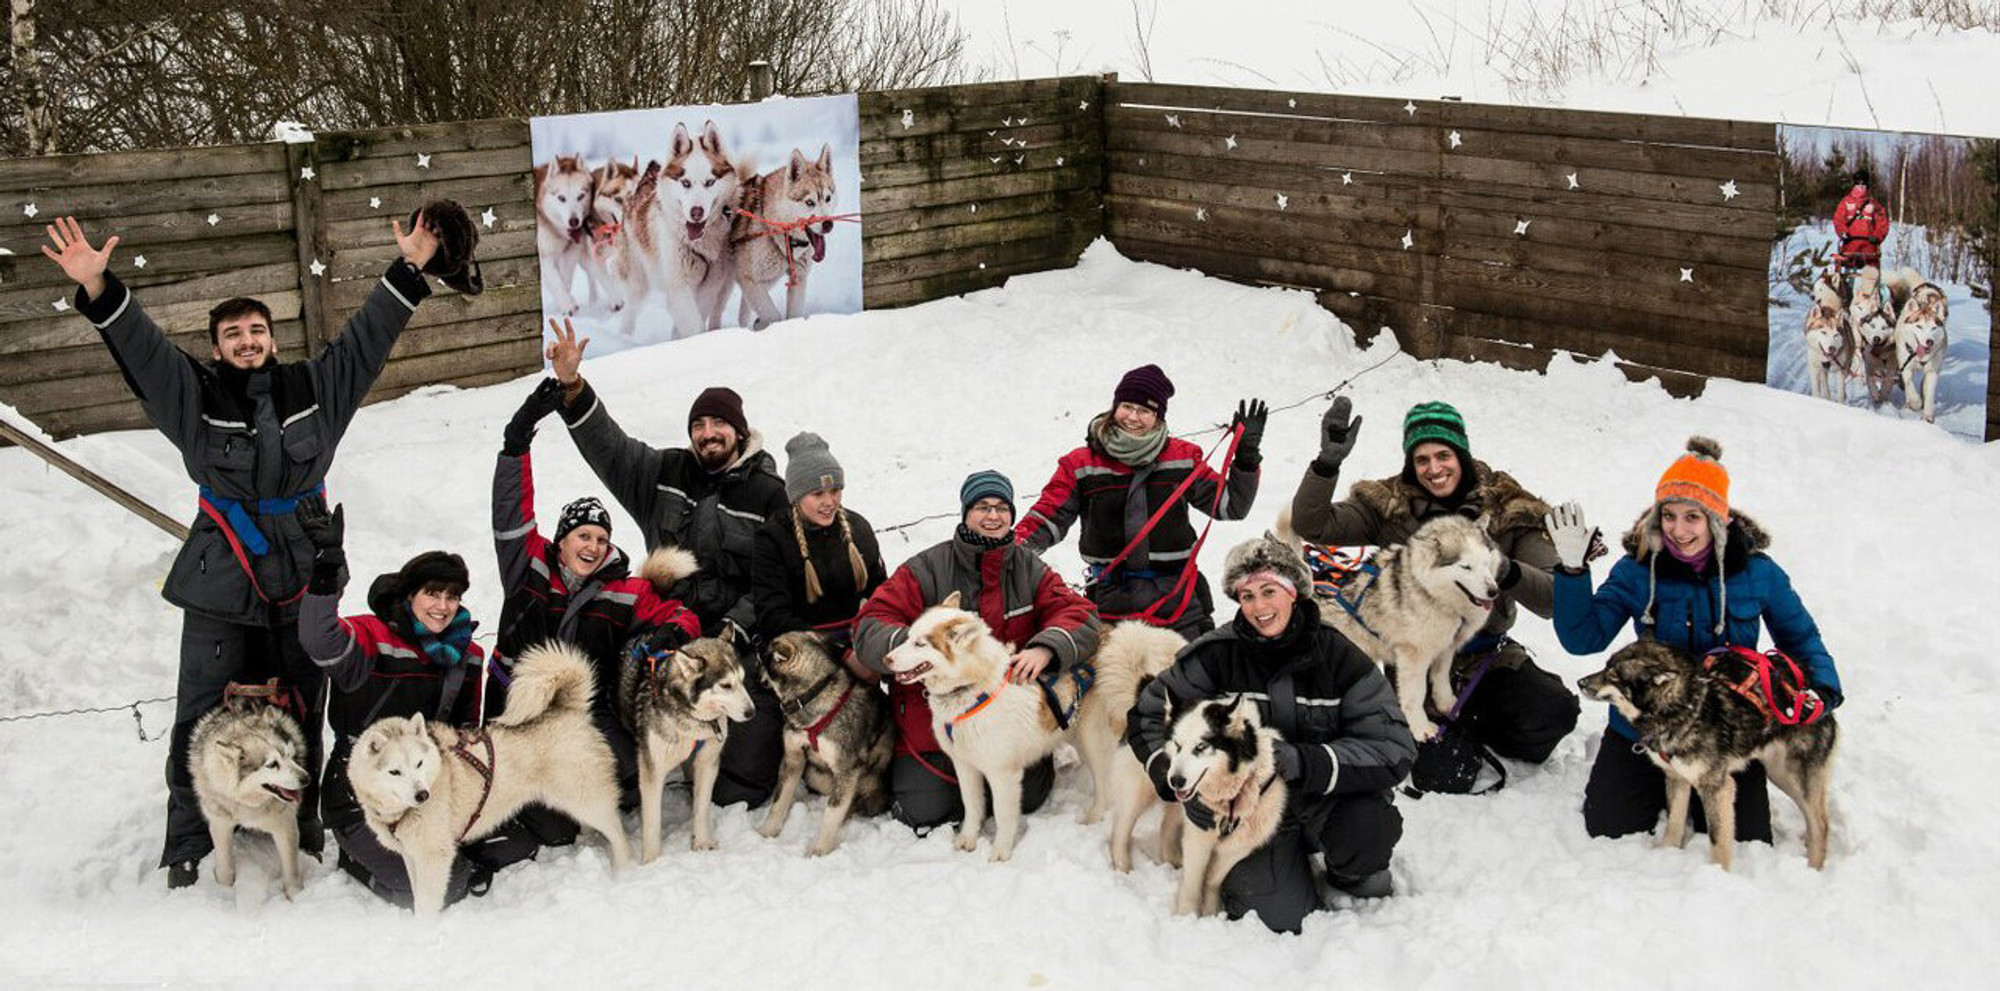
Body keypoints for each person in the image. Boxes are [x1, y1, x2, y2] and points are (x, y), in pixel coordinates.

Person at [41, 212, 443, 888]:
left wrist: (408, 269)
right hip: (221, 578)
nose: (247, 340)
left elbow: (368, 341)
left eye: (256, 330)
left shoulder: (315, 390)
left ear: (272, 339)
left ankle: (304, 816)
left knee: (302, 706)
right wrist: (100, 287)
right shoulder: (193, 397)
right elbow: (143, 352)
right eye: (233, 334)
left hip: (303, 573)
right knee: (200, 712)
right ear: (219, 348)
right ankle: (189, 840)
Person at [1546, 437, 1843, 842]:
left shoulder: (1758, 573)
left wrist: (1823, 688)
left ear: (1717, 521)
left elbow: (1801, 637)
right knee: (1608, 825)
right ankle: (1664, 788)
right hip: (1646, 729)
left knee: (1746, 838)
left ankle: (1688, 794)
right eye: (1669, 516)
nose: (1678, 530)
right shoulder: (1636, 570)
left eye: (1693, 518)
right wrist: (1572, 572)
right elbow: (1583, 638)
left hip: (1725, 731)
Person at [545, 318, 788, 806]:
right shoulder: (665, 472)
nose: (707, 433)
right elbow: (609, 448)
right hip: (666, 624)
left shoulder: (768, 495)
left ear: (738, 432)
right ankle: (632, 762)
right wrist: (572, 386)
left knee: (741, 783)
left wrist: (734, 630)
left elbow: (771, 583)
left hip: (730, 632)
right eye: (698, 425)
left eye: (718, 423)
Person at [1127, 533, 1416, 934]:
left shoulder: (1339, 656)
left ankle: (1347, 873)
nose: (1259, 607)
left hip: (1323, 799)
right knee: (1277, 920)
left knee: (1366, 831)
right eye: (1247, 596)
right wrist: (1175, 774)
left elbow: (1393, 746)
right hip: (1242, 812)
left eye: (1269, 591)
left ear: (1293, 592)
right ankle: (1274, 871)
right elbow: (1149, 714)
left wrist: (1307, 761)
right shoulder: (1215, 654)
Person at [1289, 398, 1579, 788]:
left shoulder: (1510, 509)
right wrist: (1326, 465)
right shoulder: (1389, 505)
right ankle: (1438, 728)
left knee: (1552, 713)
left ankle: (1470, 720)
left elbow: (1553, 599)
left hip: (1485, 658)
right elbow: (1313, 525)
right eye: (1421, 459)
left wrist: (1502, 568)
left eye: (1443, 455)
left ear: (1462, 453)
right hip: (1414, 660)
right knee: (1441, 773)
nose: (1434, 468)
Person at [293, 511, 540, 909]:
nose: (442, 606)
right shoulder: (373, 638)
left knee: (509, 844)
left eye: (452, 596)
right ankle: (356, 862)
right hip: (359, 795)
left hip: (428, 789)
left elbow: (462, 733)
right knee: (438, 886)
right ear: (410, 596)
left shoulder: (467, 656)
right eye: (432, 593)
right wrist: (326, 572)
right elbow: (319, 640)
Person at [494, 378, 702, 823]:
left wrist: (670, 632)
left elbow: (683, 617)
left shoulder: (622, 591)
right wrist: (517, 441)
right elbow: (511, 511)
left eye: (601, 538)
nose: (592, 545)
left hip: (585, 712)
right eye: (582, 535)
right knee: (539, 815)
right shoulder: (527, 567)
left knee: (622, 774)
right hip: (517, 706)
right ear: (562, 541)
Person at [854, 471, 1102, 830]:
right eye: (982, 507)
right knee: (925, 811)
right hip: (934, 719)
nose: (993, 515)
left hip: (1005, 720)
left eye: (1002, 507)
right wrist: (918, 649)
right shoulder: (927, 567)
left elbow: (1081, 615)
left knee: (1028, 797)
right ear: (965, 513)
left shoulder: (1027, 566)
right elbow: (871, 622)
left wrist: (1047, 648)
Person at [1016, 364, 1265, 637]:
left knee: (1191, 674)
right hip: (1110, 600)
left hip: (1177, 599)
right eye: (1126, 406)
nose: (1133, 417)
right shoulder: (1081, 464)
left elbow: (1230, 506)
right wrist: (1009, 549)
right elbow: (1049, 517)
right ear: (1114, 407)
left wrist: (1247, 457)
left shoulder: (1182, 457)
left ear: (1158, 417)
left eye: (1145, 410)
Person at [749, 432, 888, 675]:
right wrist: (841, 654)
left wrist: (872, 645)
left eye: (835, 490)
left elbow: (881, 594)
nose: (829, 502)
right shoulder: (772, 538)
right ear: (797, 495)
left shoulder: (859, 529)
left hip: (858, 644)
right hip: (800, 654)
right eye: (818, 494)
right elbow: (773, 617)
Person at [1832, 167, 1889, 281]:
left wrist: (1877, 237)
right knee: (1846, 276)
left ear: (1867, 187)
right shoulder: (1846, 202)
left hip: (1869, 247)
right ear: (1854, 185)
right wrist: (1843, 233)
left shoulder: (1874, 204)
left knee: (1870, 278)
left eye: (1863, 185)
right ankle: (1845, 293)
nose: (1861, 188)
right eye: (1858, 185)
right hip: (1850, 245)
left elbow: (1882, 222)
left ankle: (1872, 294)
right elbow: (1838, 219)